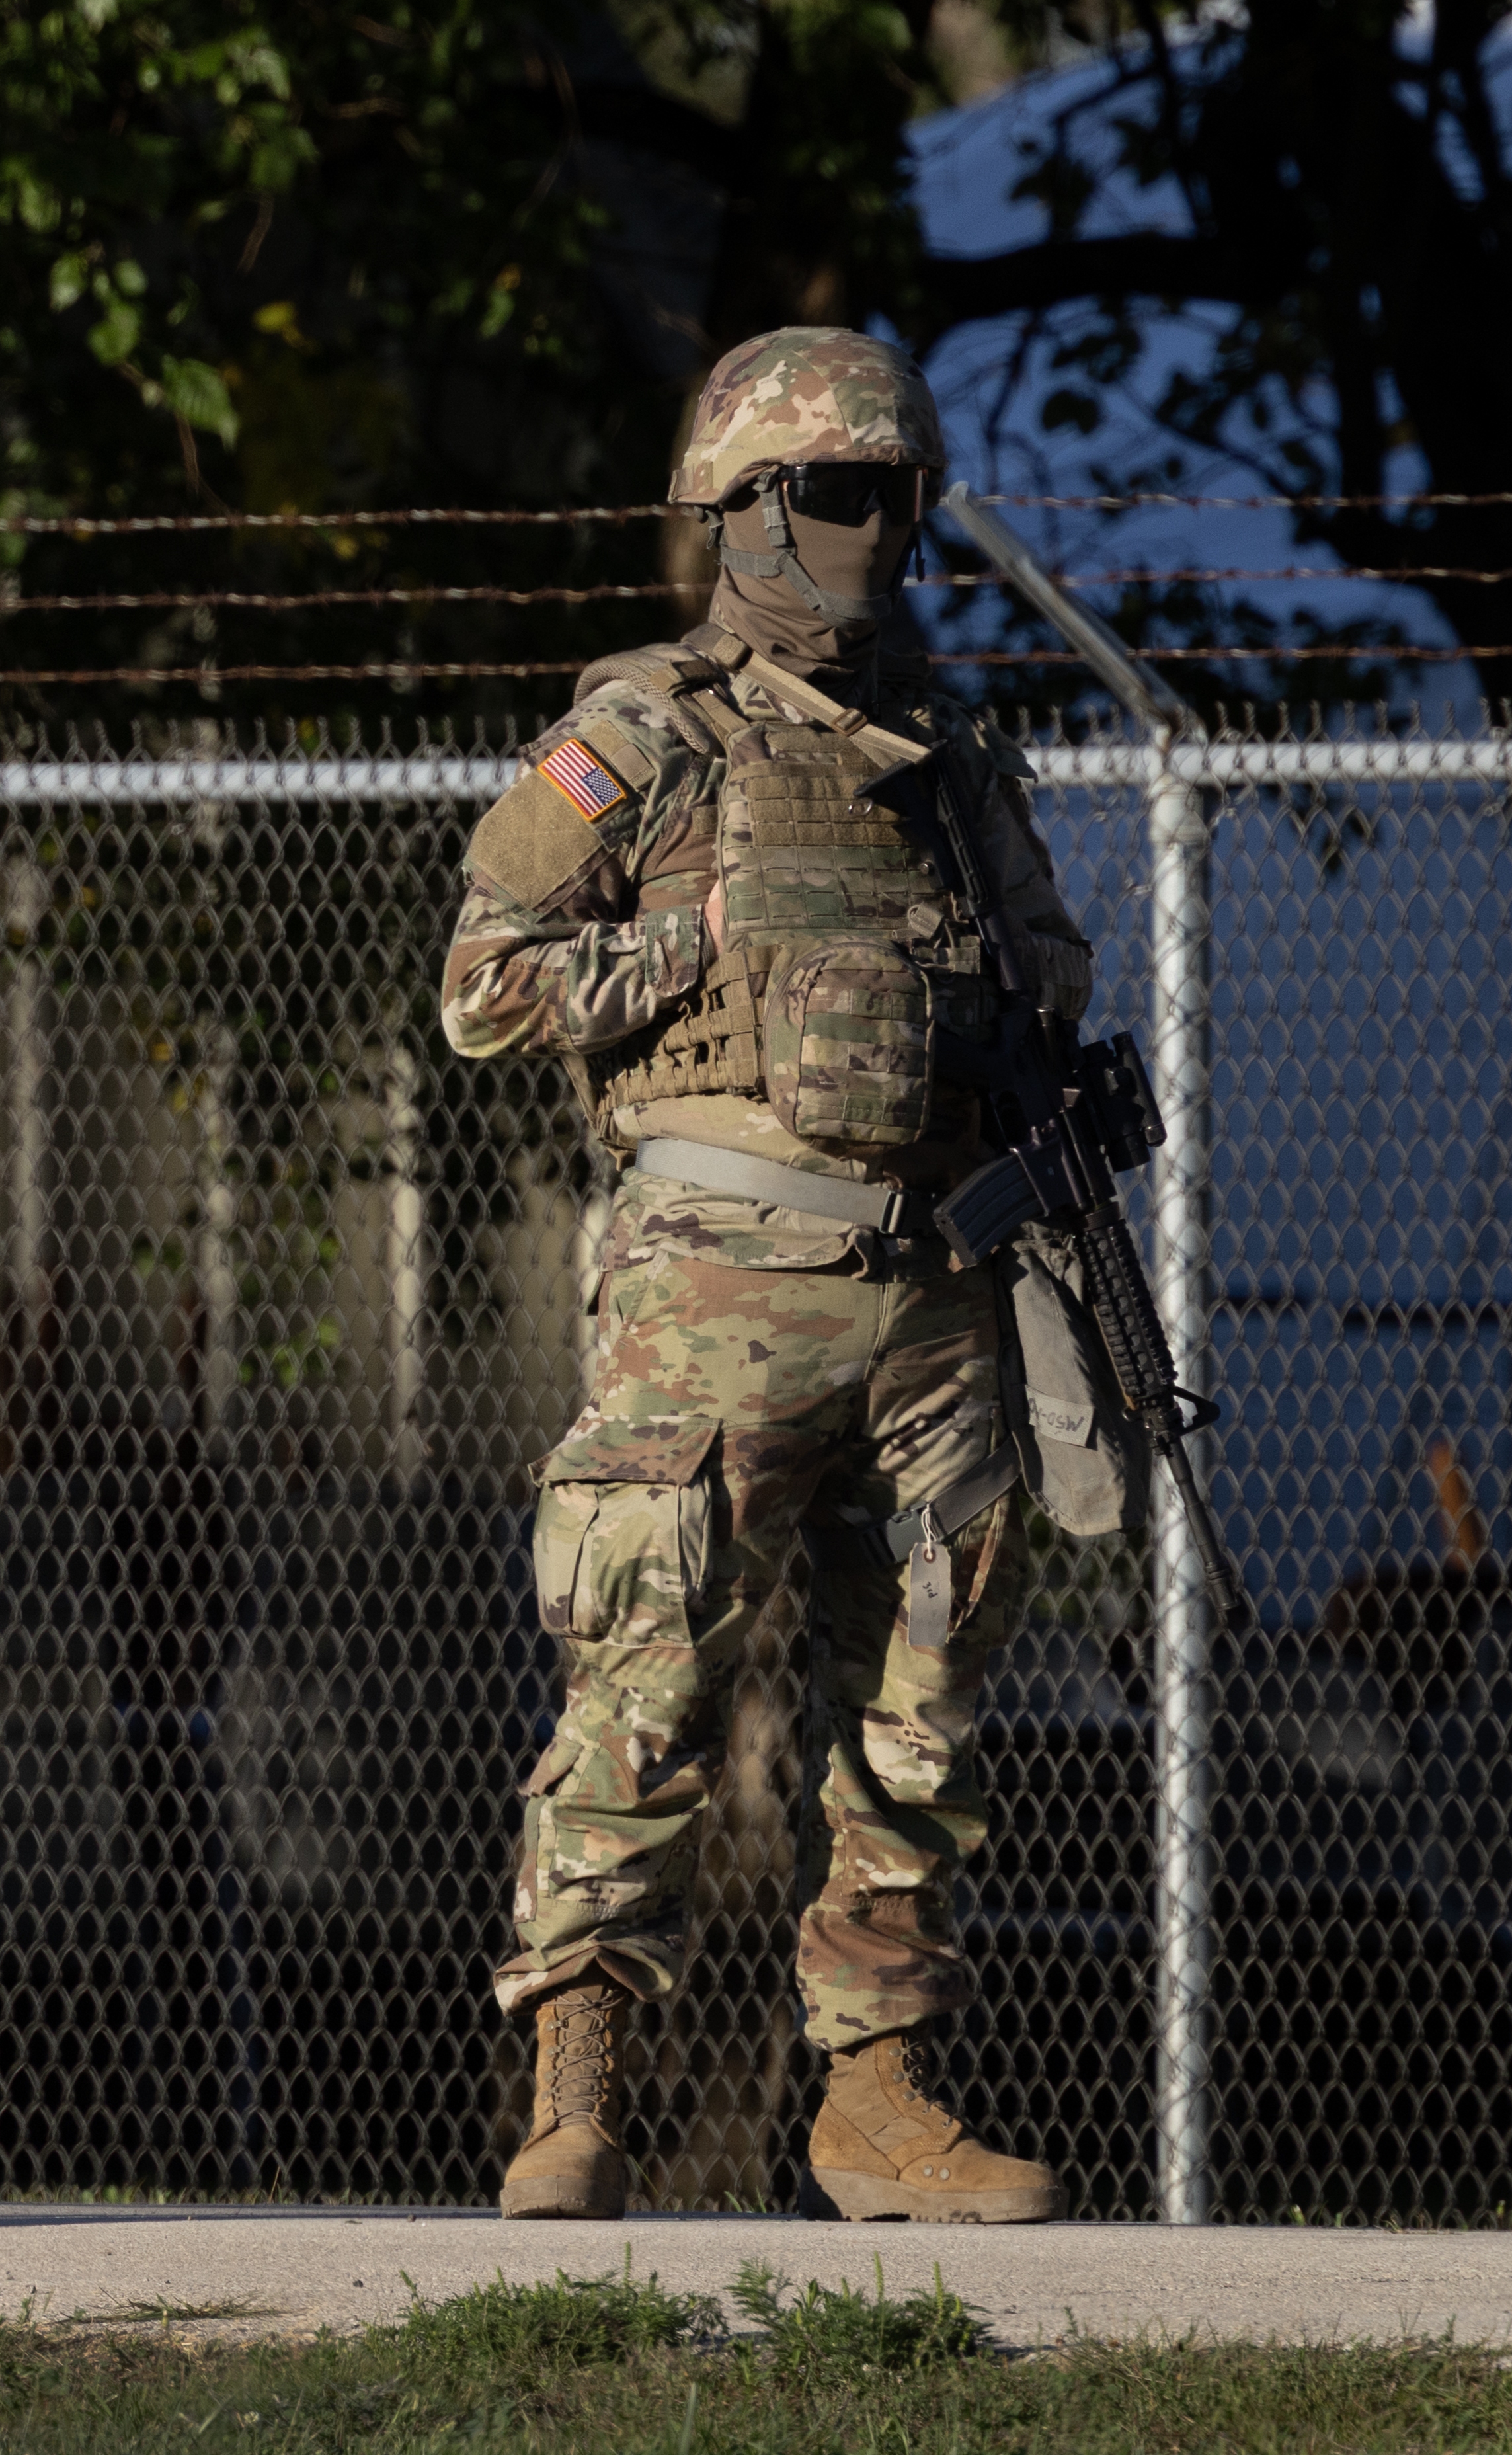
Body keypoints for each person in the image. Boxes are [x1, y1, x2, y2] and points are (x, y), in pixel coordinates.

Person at [440, 327, 1140, 2223]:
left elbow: (1052, 964)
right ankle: (576, 2085)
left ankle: (880, 2101)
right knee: (643, 1670)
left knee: (922, 1698)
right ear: (745, 510)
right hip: (715, 1281)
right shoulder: (645, 729)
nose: (876, 533)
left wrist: (1010, 1048)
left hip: (932, 1279)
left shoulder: (946, 743)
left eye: (896, 498)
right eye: (839, 496)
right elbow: (485, 984)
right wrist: (699, 946)